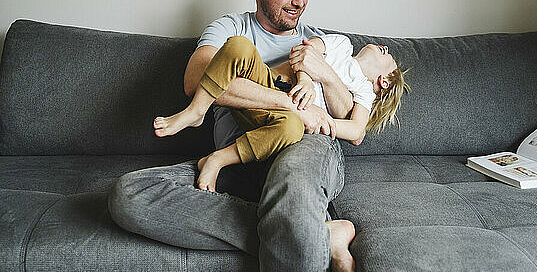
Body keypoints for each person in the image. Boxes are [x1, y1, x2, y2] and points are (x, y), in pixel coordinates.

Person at [108, 0, 377, 272]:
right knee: (129, 194)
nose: (298, 1)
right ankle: (317, 233)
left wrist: (323, 73)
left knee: (292, 187)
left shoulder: (319, 42)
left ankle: (297, 224)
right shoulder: (232, 28)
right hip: (238, 158)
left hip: (304, 147)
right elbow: (197, 80)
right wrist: (287, 102)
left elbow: (342, 115)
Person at [153, 33, 408, 193]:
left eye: (387, 55)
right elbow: (306, 51)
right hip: (267, 83)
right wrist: (306, 80)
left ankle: (218, 159)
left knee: (291, 128)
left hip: (282, 119)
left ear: (384, 81)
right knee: (239, 45)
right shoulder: (342, 44)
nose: (383, 47)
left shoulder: (363, 91)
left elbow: (356, 131)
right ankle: (196, 110)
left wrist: (324, 120)